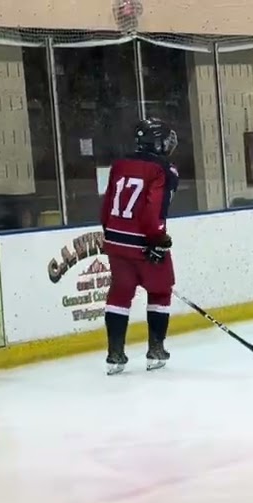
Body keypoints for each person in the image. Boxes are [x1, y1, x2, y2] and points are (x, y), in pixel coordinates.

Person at [99, 118, 180, 375]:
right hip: (144, 240)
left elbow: (107, 205)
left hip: (115, 238)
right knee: (161, 291)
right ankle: (155, 350)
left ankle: (115, 355)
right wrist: (156, 239)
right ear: (157, 143)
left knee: (119, 294)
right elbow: (154, 208)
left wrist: (111, 234)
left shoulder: (119, 164)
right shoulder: (164, 169)